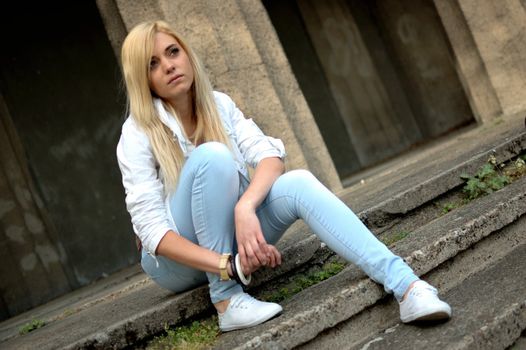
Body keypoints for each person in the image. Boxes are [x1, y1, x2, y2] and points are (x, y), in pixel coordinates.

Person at [116, 20, 451, 332]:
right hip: (176, 264)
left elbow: (270, 157)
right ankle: (227, 298)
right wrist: (228, 266)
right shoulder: (137, 132)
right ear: (142, 80)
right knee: (213, 156)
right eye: (153, 64)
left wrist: (245, 207)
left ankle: (407, 286)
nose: (169, 65)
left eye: (173, 52)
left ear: (186, 54)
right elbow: (153, 232)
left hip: (233, 241)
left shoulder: (218, 105)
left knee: (298, 182)